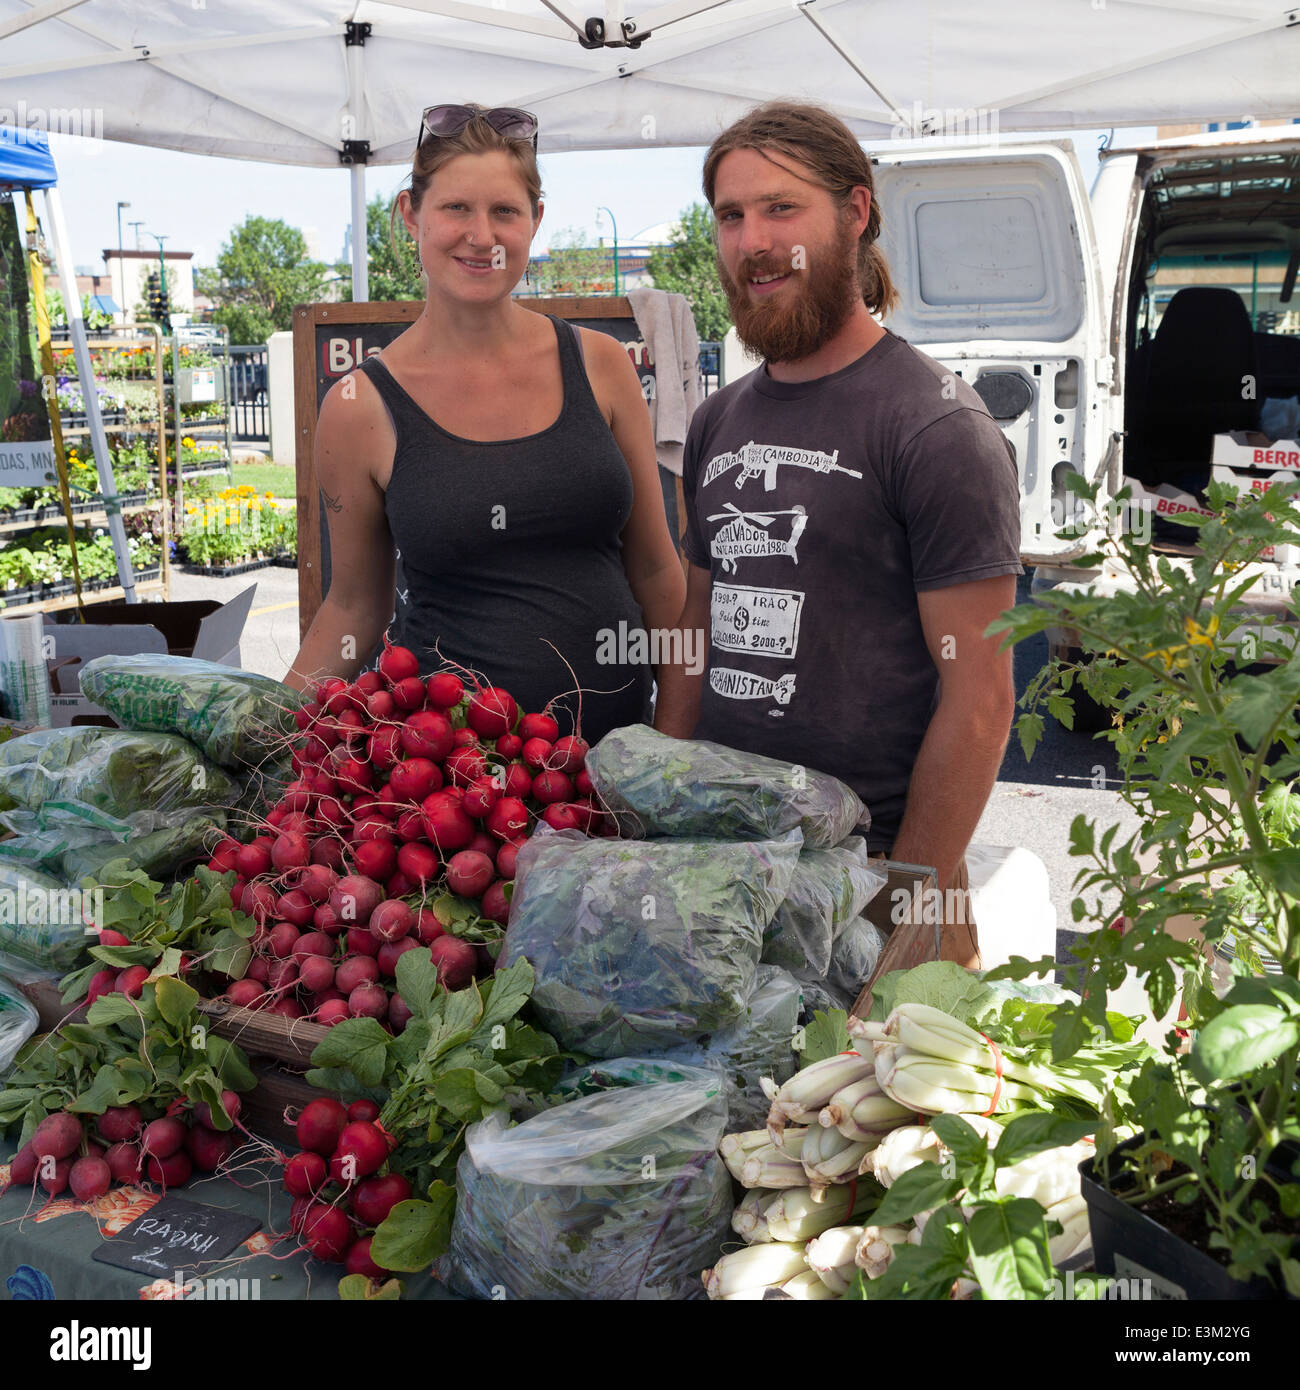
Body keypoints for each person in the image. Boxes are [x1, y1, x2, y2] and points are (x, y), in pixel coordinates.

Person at [654, 103, 1023, 969]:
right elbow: (692, 630)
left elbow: (981, 702)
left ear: (855, 214)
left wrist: (914, 902)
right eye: (731, 215)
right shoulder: (715, 423)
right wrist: (656, 808)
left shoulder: (935, 428)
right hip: (727, 872)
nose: (752, 240)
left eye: (782, 209)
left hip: (868, 884)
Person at [284, 103, 685, 748]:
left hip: (623, 776)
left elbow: (659, 572)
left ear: (536, 221)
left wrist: (678, 741)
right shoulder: (359, 405)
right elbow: (355, 606)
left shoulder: (602, 365)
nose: (482, 235)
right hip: (455, 797)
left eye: (505, 211)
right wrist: (264, 738)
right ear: (412, 214)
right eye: (456, 209)